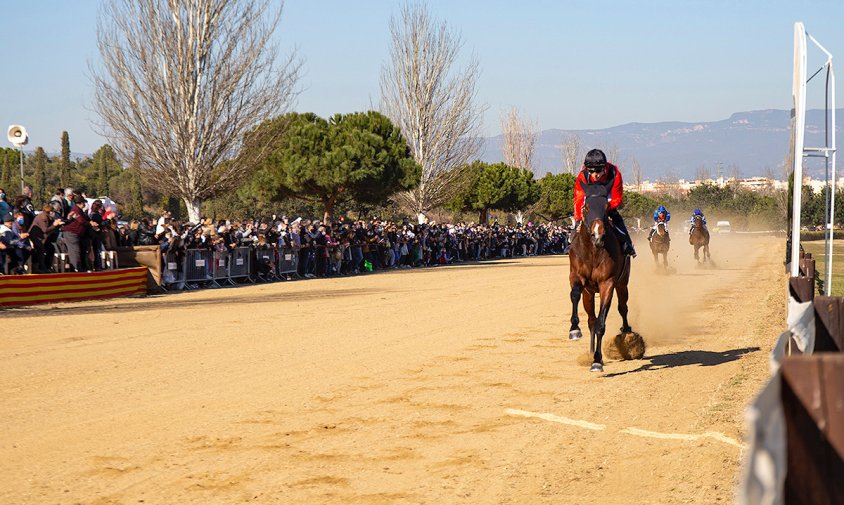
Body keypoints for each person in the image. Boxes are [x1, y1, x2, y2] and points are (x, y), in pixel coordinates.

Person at [573, 148, 636, 257]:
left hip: (607, 201)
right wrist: (578, 219)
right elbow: (578, 199)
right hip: (590, 203)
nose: (595, 175)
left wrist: (605, 209)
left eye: (598, 171)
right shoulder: (582, 176)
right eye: (591, 171)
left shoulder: (615, 174)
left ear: (604, 168)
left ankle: (628, 244)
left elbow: (617, 198)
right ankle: (571, 247)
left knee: (617, 220)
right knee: (576, 230)